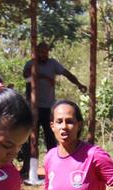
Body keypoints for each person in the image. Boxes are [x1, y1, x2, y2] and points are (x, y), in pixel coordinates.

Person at [20, 42, 87, 178]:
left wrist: (79, 84)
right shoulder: (30, 64)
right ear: (36, 52)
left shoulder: (52, 64)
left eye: (46, 52)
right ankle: (26, 169)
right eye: (41, 52)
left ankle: (55, 168)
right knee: (29, 140)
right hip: (33, 108)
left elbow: (67, 74)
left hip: (48, 108)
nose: (44, 54)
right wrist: (43, 76)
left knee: (51, 139)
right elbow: (26, 77)